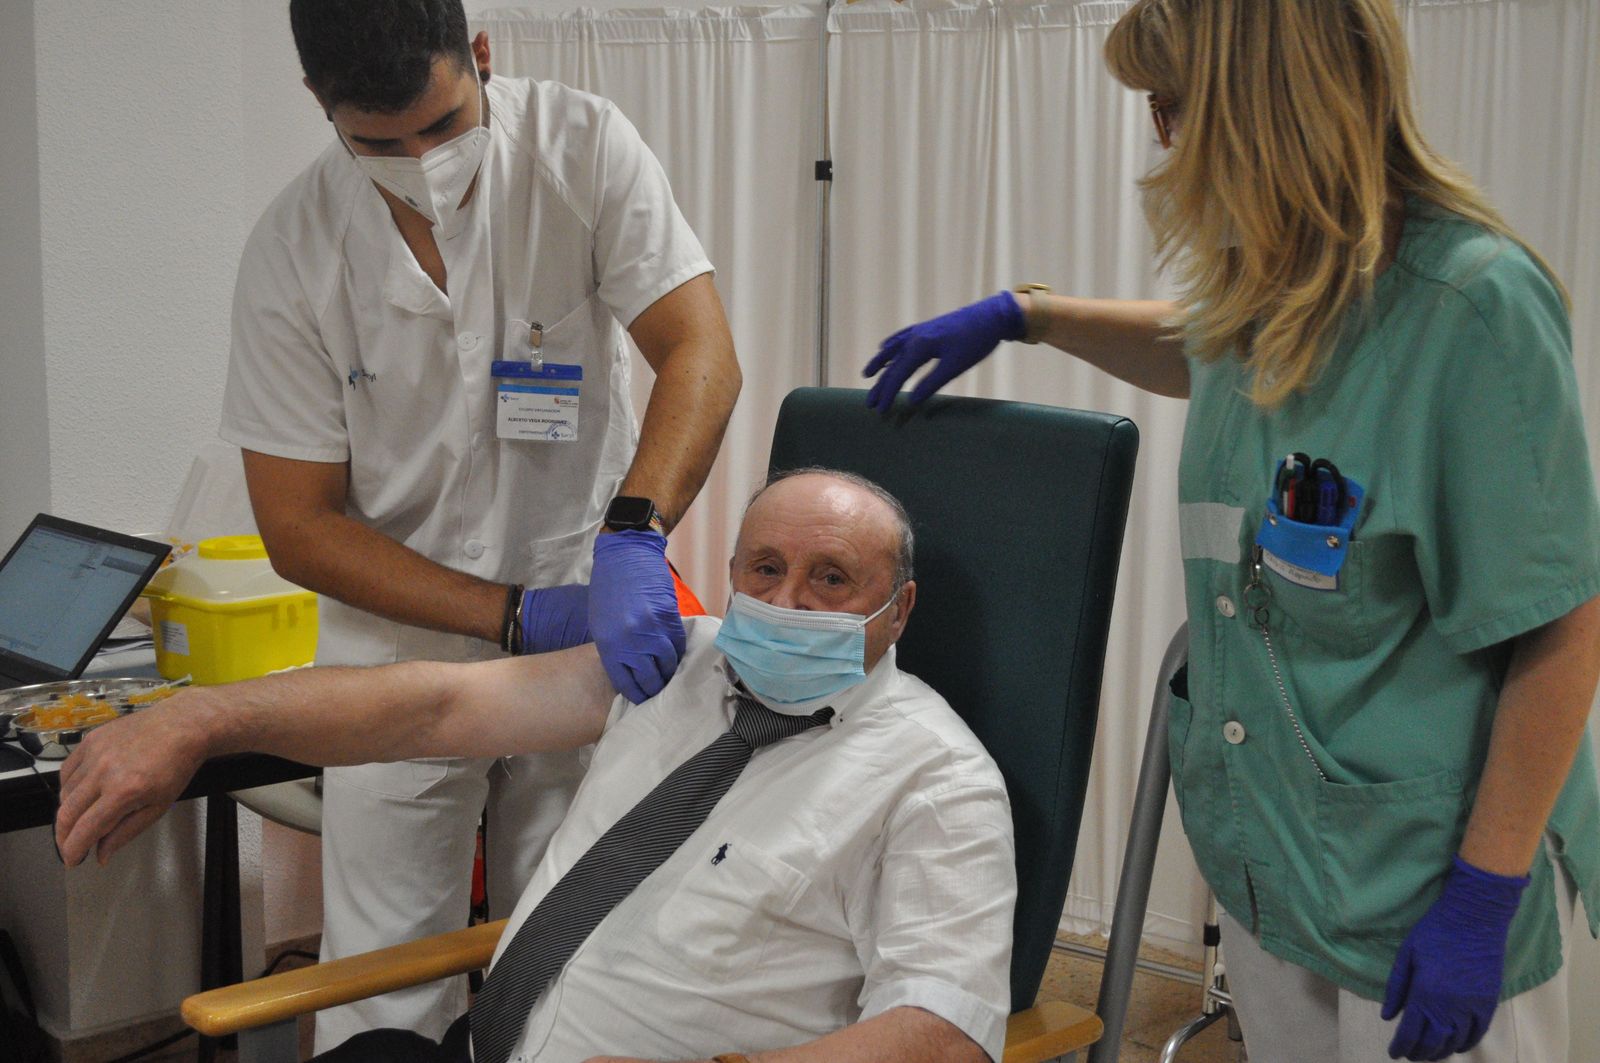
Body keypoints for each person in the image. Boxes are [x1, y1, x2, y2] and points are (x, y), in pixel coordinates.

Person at [862, 2, 1600, 1061]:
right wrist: (1030, 315)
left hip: (1423, 881)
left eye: (1171, 107)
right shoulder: (1278, 279)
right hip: (1274, 853)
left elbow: (1560, 627)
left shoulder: (1471, 308)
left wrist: (1480, 899)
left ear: (1263, 102)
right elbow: (1206, 347)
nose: (1161, 140)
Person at [56, 469, 1015, 1063]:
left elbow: (944, 1028)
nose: (786, 599)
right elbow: (433, 703)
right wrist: (201, 716)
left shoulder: (935, 781)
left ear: (900, 609)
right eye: (763, 567)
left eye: (832, 578)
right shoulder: (679, 659)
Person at [222, 0, 739, 1047]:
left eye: (444, 125)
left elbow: (700, 351)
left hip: (587, 624)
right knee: (381, 979)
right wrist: (505, 614)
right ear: (320, 103)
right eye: (378, 142)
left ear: (484, 58)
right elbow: (299, 524)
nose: (421, 162)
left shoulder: (582, 149)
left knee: (580, 952)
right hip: (396, 651)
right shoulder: (293, 250)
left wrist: (634, 535)